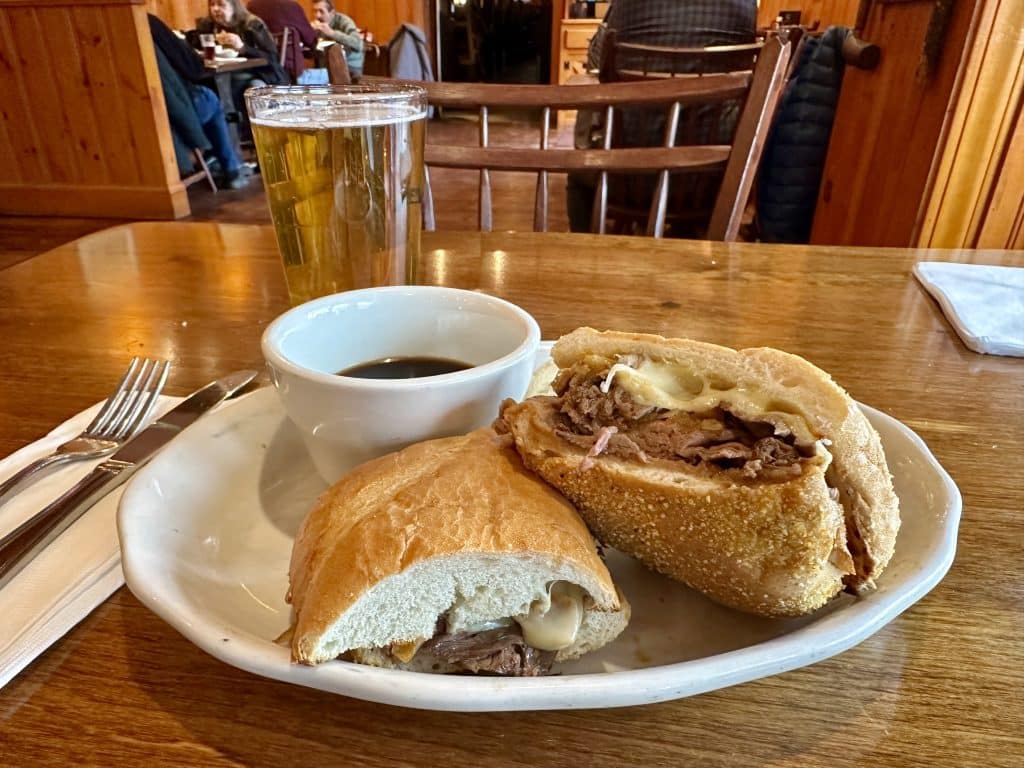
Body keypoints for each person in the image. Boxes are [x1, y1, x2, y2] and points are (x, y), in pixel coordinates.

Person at [567, 0, 758, 234]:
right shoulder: (746, 6)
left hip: (627, 177)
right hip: (711, 180)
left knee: (578, 173)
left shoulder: (627, 5)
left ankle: (584, 258)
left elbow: (597, 60)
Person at [148, 14, 249, 189]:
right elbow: (193, 67)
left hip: (145, 119)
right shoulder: (147, 22)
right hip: (174, 114)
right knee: (209, 98)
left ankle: (212, 157)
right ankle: (230, 168)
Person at [189, 0, 287, 137]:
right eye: (212, 4)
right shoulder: (208, 24)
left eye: (221, 5)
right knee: (205, 87)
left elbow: (271, 57)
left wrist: (242, 47)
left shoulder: (251, 24)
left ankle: (254, 138)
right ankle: (224, 141)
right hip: (222, 73)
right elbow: (195, 47)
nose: (215, 9)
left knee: (249, 87)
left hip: (258, 74)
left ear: (234, 6)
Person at [247, 0, 319, 80]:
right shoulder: (292, 7)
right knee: (327, 74)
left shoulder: (251, 6)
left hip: (259, 68)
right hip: (290, 72)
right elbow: (311, 40)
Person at [311, 0, 364, 80]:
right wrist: (310, 33)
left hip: (349, 66)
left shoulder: (344, 21)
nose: (317, 15)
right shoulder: (318, 25)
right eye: (315, 11)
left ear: (332, 12)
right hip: (326, 66)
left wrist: (332, 33)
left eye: (321, 11)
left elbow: (357, 43)